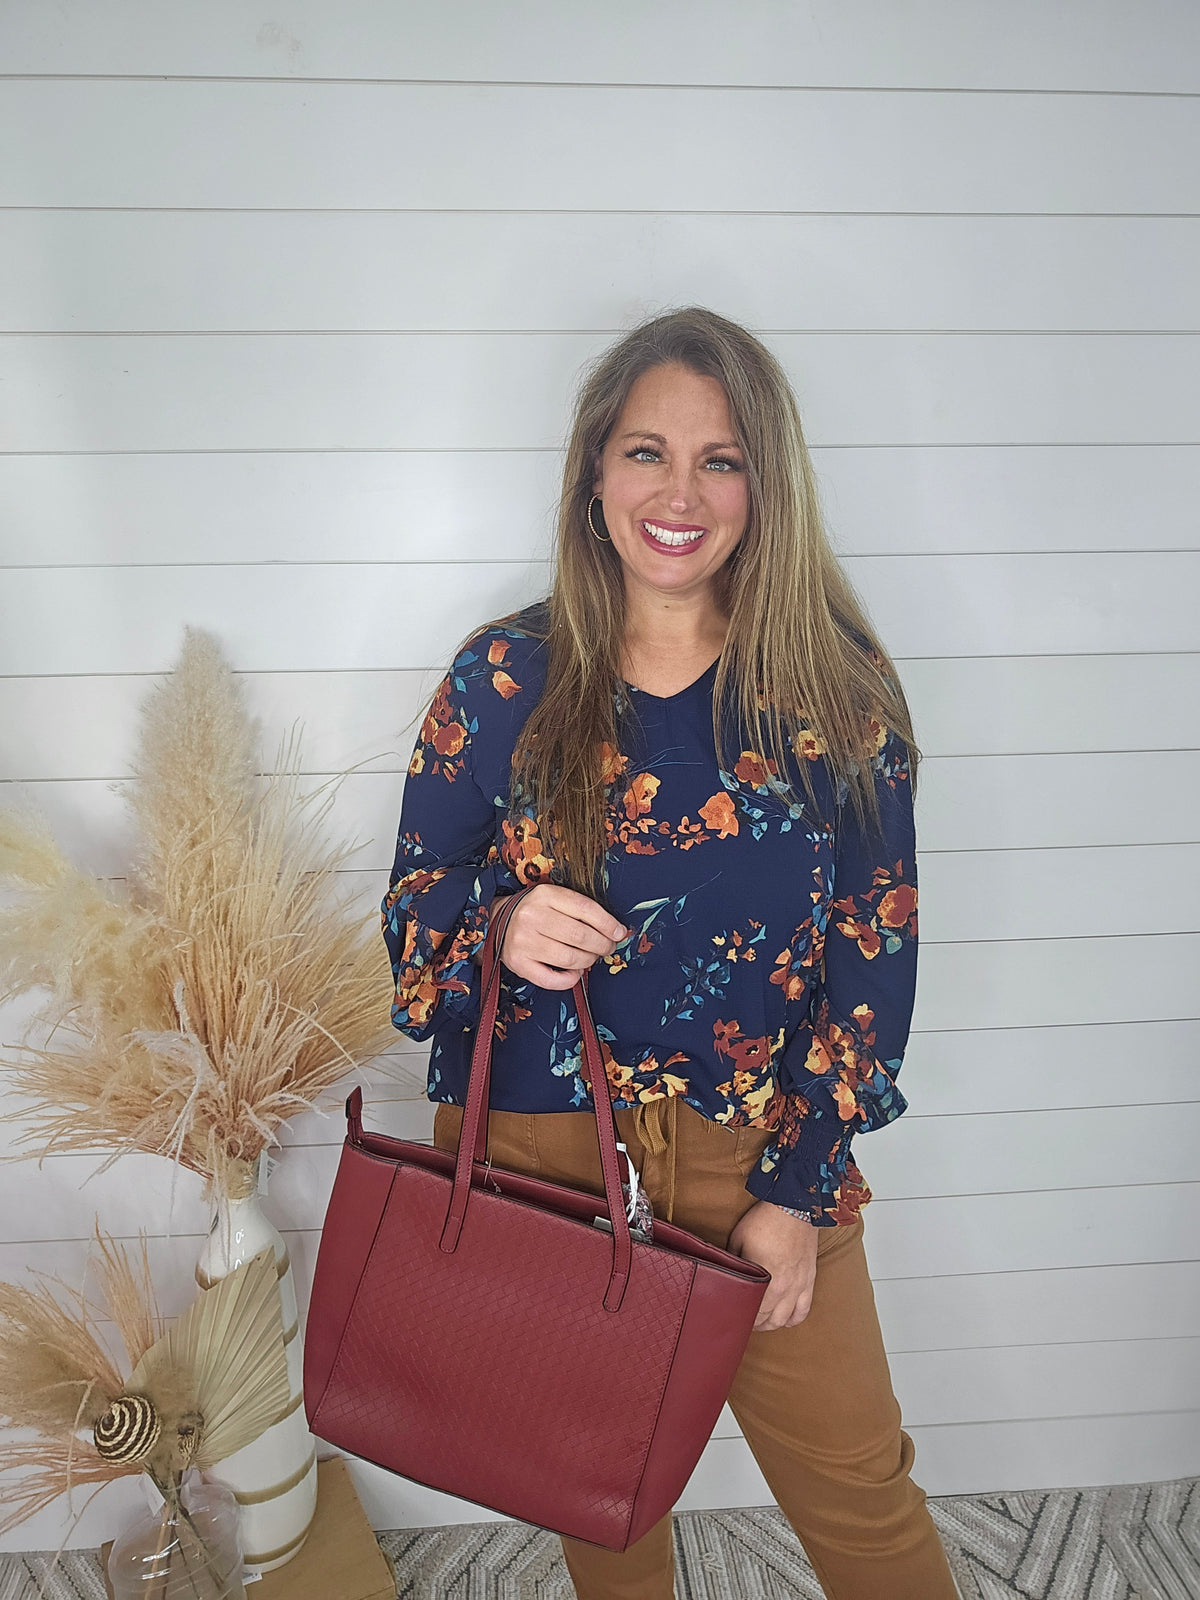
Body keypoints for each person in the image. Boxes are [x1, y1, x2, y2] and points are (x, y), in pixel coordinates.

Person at [381, 307, 962, 1600]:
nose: (680, 493)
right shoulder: (501, 683)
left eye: (721, 459)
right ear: (594, 475)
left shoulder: (834, 696)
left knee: (861, 1498)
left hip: (757, 1157)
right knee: (599, 1504)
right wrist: (500, 925)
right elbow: (413, 927)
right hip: (544, 1150)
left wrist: (801, 1189)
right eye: (646, 452)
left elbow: (876, 960)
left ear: (766, 485)